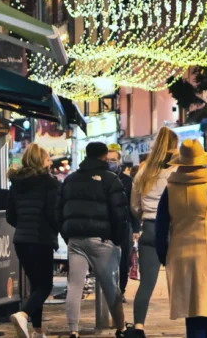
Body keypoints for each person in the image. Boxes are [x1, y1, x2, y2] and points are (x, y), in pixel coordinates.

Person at [156, 140, 207, 338]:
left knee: (190, 313)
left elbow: (161, 227)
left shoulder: (170, 188)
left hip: (178, 253)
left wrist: (163, 256)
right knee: (204, 310)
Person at [57, 142, 127, 338]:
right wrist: (117, 239)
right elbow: (120, 213)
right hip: (102, 240)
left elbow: (59, 211)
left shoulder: (70, 180)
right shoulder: (111, 179)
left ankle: (73, 330)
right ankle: (121, 328)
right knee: (110, 286)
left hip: (76, 240)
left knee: (74, 285)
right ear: (104, 156)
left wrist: (67, 234)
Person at [128, 127, 179, 338]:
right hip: (173, 230)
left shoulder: (142, 173)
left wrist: (145, 215)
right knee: (184, 282)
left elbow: (134, 206)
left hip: (149, 228)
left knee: (147, 284)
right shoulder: (176, 173)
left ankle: (139, 326)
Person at [6, 144, 60, 338]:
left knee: (36, 285)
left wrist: (23, 226)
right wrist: (57, 229)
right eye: (47, 159)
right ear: (40, 161)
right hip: (42, 239)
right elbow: (53, 213)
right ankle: (23, 314)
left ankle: (37, 331)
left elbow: (10, 216)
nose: (50, 162)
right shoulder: (50, 183)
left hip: (21, 240)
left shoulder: (16, 183)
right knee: (45, 286)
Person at [107, 144, 138, 302]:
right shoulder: (102, 178)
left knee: (124, 260)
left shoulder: (127, 181)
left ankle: (121, 290)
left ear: (119, 161)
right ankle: (110, 290)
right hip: (106, 226)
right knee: (108, 260)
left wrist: (136, 228)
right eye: (108, 160)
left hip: (124, 226)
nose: (111, 162)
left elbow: (133, 206)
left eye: (113, 160)